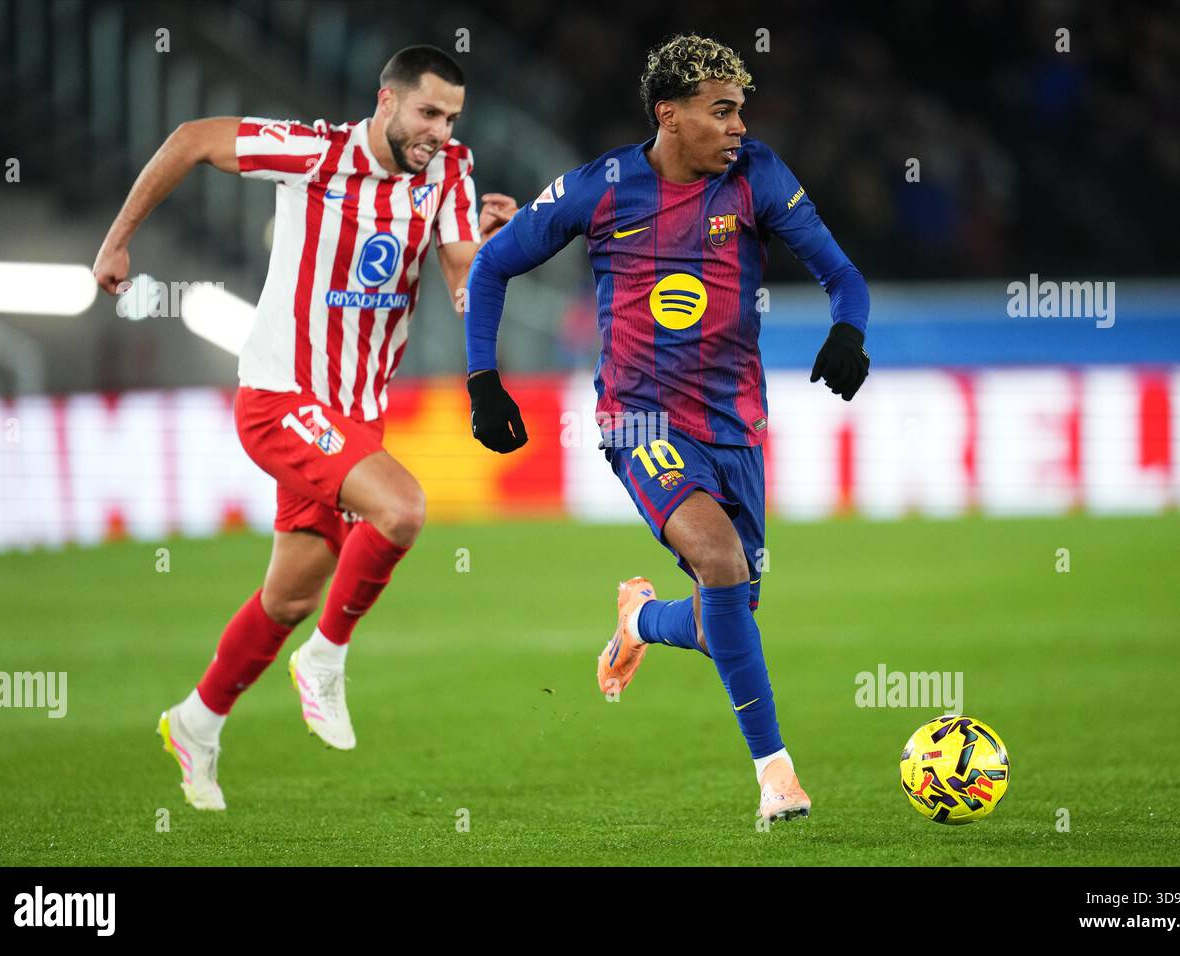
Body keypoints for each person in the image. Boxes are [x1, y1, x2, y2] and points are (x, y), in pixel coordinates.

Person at [91, 45, 517, 811]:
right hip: (282, 399)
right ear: (385, 102)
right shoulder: (314, 151)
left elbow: (460, 281)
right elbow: (191, 136)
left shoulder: (450, 172)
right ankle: (326, 658)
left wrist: (493, 255)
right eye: (428, 112)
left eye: (451, 118)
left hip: (354, 419)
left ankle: (197, 720)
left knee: (286, 599)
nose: (439, 131)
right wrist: (118, 238)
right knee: (403, 508)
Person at [462, 34, 869, 821]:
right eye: (722, 111)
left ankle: (640, 620)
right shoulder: (601, 188)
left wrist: (847, 330)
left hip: (736, 424)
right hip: (639, 415)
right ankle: (776, 778)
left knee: (729, 621)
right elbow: (491, 265)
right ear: (670, 115)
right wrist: (484, 380)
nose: (739, 126)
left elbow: (841, 274)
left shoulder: (759, 177)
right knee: (718, 561)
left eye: (741, 110)